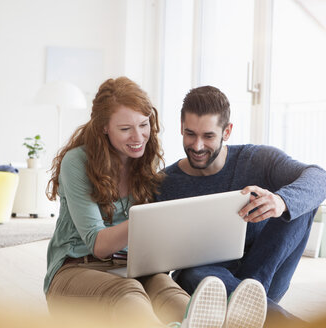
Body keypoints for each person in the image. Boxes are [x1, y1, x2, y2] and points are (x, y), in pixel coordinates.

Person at [43, 77, 268, 328]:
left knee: (166, 288)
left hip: (132, 266)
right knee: (128, 292)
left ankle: (218, 324)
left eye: (143, 124)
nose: (138, 136)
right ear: (104, 127)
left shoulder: (144, 164)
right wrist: (146, 221)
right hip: (75, 270)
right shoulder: (77, 163)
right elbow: (98, 245)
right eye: (125, 128)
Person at [156, 86, 326, 326]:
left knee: (299, 203)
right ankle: (264, 314)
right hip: (208, 282)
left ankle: (248, 298)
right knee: (195, 274)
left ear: (227, 131)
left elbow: (322, 178)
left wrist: (281, 201)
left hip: (264, 272)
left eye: (208, 136)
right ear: (181, 128)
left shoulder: (256, 159)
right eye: (190, 134)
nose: (197, 146)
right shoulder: (164, 183)